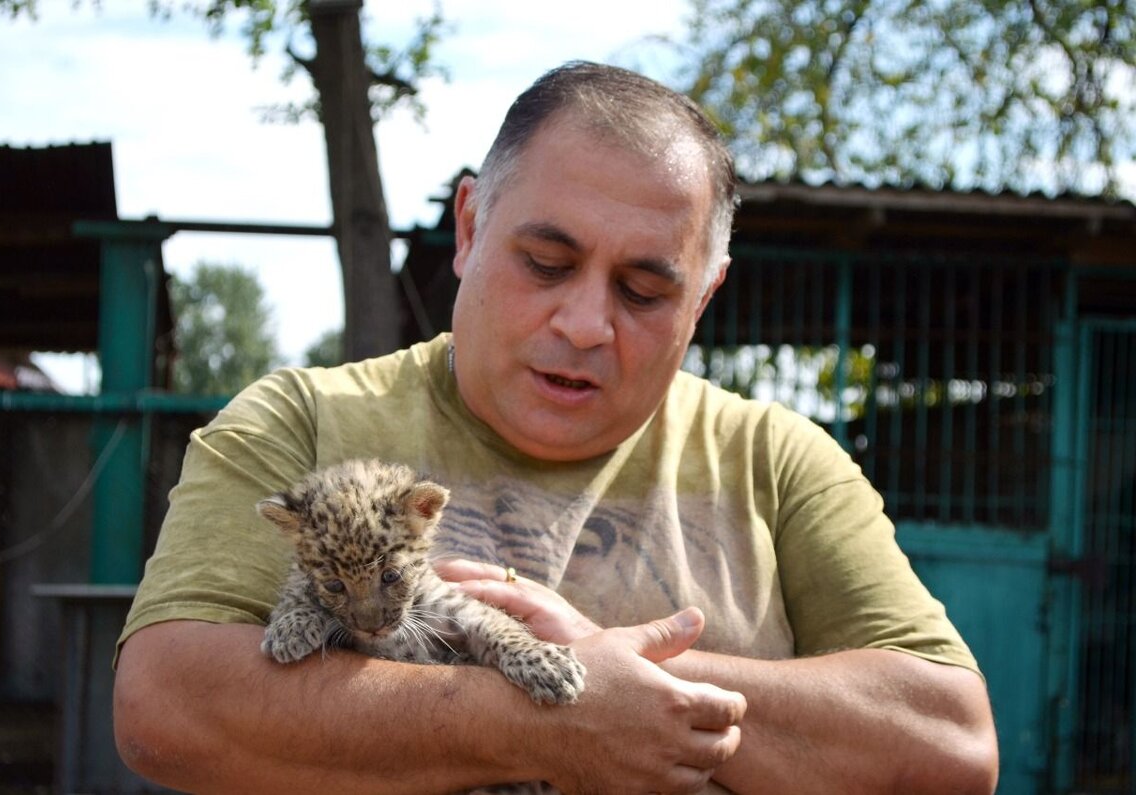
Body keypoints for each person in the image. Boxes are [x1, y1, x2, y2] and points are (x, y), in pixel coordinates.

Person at [113, 61, 998, 794]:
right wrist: (543, 717)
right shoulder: (303, 423)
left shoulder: (778, 461)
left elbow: (951, 745)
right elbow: (167, 704)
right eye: (546, 262)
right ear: (468, 227)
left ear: (704, 296)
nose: (585, 322)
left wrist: (623, 679)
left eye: (644, 290)